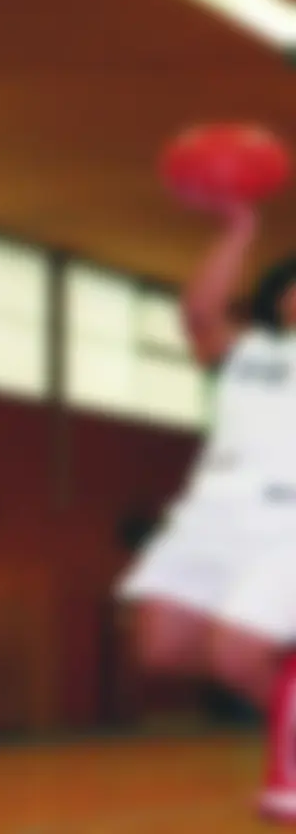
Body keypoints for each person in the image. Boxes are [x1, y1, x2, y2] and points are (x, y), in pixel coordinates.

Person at [115, 203, 296, 819]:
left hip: (285, 521)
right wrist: (238, 232)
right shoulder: (248, 354)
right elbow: (200, 314)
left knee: (237, 654)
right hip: (215, 514)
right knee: (159, 647)